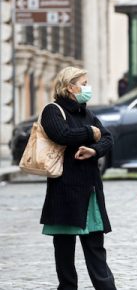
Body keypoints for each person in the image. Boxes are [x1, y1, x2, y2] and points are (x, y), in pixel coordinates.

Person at [40, 66, 116, 290]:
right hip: (65, 192)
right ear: (68, 87)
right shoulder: (52, 111)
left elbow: (108, 138)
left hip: (90, 190)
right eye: (83, 83)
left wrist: (94, 150)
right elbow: (61, 134)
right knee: (64, 251)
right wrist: (90, 133)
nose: (86, 87)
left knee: (96, 248)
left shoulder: (87, 113)